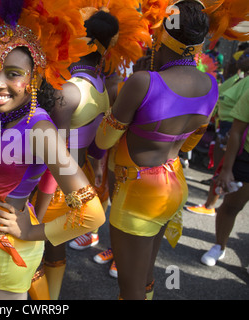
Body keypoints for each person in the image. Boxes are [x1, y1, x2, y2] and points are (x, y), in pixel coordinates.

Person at [0, 0, 105, 300]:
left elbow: (91, 213)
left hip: (8, 249)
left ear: (34, 77)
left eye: (12, 74)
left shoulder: (39, 129)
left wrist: (31, 232)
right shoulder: (4, 115)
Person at [95, 0, 222, 299]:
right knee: (145, 276)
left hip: (139, 193)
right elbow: (191, 141)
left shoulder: (143, 82)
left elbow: (103, 141)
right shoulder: (211, 84)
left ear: (161, 38)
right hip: (174, 183)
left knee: (130, 287)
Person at [31, 2, 150, 299]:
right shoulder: (101, 84)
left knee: (32, 250)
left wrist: (37, 208)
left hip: (53, 184)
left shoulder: (69, 88)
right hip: (80, 178)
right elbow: (98, 146)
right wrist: (96, 171)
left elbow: (51, 152)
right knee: (54, 248)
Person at [186, 47, 249, 216]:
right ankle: (209, 204)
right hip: (224, 127)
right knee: (218, 171)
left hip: (232, 131)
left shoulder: (246, 83)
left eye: (247, 55)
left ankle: (209, 206)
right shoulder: (239, 79)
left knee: (222, 171)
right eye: (242, 55)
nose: (241, 59)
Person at [200, 86, 249, 267]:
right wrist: (226, 169)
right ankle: (219, 246)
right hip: (246, 159)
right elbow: (236, 131)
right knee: (230, 207)